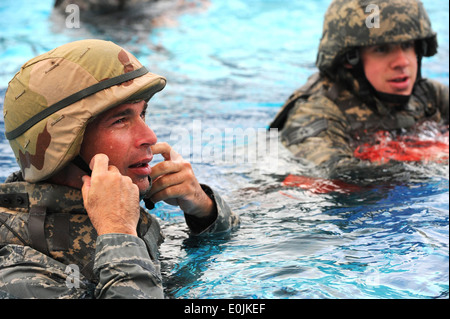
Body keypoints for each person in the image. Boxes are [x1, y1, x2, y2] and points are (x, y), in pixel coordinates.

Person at [0, 39, 238, 299]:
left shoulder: (120, 208)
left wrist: (203, 210)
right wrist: (118, 233)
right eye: (121, 120)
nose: (149, 136)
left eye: (142, 114)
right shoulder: (17, 271)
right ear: (64, 145)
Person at [270, 0, 449, 179]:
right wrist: (429, 161)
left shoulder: (428, 96)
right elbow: (334, 176)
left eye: (407, 45)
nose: (402, 62)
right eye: (381, 49)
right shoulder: (316, 113)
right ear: (350, 59)